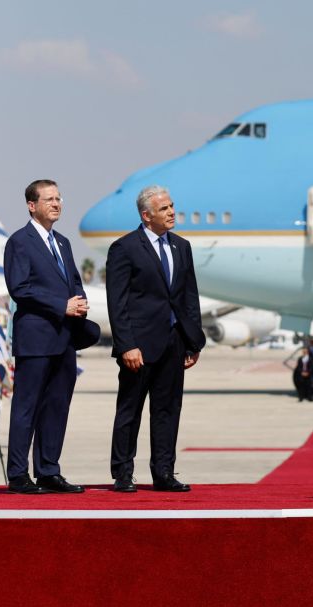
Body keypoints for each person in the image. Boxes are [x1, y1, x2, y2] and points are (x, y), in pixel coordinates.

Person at [106, 185, 206, 493]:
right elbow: (117, 302)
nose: (172, 212)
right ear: (147, 216)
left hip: (174, 343)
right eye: (164, 209)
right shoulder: (125, 248)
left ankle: (164, 472)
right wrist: (126, 345)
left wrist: (193, 341)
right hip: (139, 346)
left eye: (172, 206)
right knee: (130, 410)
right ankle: (123, 473)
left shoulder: (181, 247)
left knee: (167, 410)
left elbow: (189, 298)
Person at [4, 179, 90, 494]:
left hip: (64, 339)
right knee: (27, 407)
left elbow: (74, 282)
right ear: (32, 205)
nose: (56, 204)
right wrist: (60, 305)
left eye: (58, 198)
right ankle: (17, 475)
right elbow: (19, 288)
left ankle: (48, 471)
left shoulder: (63, 243)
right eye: (49, 199)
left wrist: (79, 300)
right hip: (36, 339)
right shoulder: (20, 242)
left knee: (57, 406)